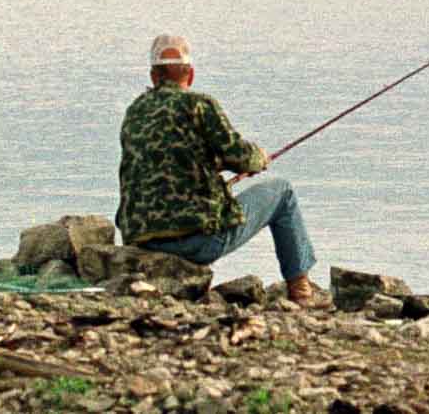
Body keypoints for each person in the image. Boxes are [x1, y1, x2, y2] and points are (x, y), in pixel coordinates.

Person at [116, 34, 323, 306]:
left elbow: (165, 162)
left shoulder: (134, 111)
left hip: (141, 239)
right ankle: (301, 291)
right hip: (197, 242)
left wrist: (214, 165)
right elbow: (240, 155)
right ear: (190, 75)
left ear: (153, 76)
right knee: (282, 192)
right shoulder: (199, 105)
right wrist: (258, 158)